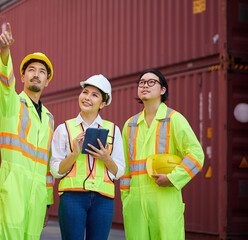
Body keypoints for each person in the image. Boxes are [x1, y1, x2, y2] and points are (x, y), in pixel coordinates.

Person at [120, 69, 205, 239]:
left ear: (163, 90)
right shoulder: (130, 125)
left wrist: (172, 178)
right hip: (135, 203)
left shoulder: (174, 119)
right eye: (142, 83)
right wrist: (127, 200)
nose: (145, 85)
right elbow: (125, 169)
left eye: (151, 82)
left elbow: (196, 155)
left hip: (164, 200)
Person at [0, 23, 54, 240]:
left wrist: (47, 201)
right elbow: (5, 83)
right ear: (22, 77)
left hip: (37, 195)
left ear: (47, 81)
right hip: (14, 188)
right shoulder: (12, 104)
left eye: (41, 72)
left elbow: (47, 164)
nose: (36, 75)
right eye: (31, 70)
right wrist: (5, 51)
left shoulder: (49, 119)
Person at [50, 74, 126, 240]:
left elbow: (119, 171)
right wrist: (74, 153)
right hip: (72, 199)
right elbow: (56, 170)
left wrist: (106, 158)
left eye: (95, 95)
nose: (87, 97)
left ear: (103, 103)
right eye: (85, 92)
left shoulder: (113, 130)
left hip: (103, 201)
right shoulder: (64, 129)